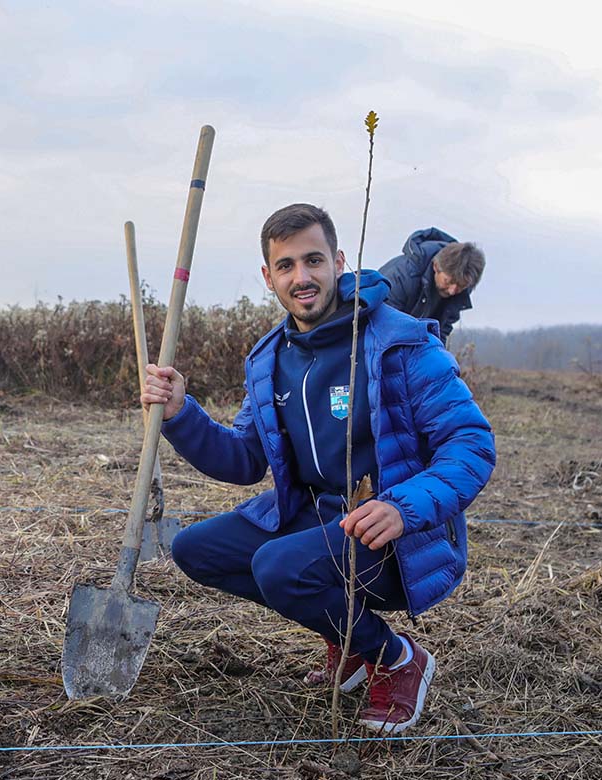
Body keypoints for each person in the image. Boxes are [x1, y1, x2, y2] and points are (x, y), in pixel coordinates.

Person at [142, 204, 495, 734]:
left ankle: (396, 658)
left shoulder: (398, 342)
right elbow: (243, 458)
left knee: (280, 568)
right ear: (268, 277)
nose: (301, 278)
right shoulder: (270, 358)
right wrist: (180, 415)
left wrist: (404, 507)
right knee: (195, 549)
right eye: (286, 266)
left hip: (395, 534)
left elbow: (470, 443)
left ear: (339, 261)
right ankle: (349, 640)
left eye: (313, 261)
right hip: (317, 519)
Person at [378, 227, 485, 340]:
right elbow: (384, 328)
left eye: (461, 286)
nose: (452, 290)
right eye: (448, 281)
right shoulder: (400, 277)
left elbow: (440, 335)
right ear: (436, 266)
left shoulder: (459, 294)